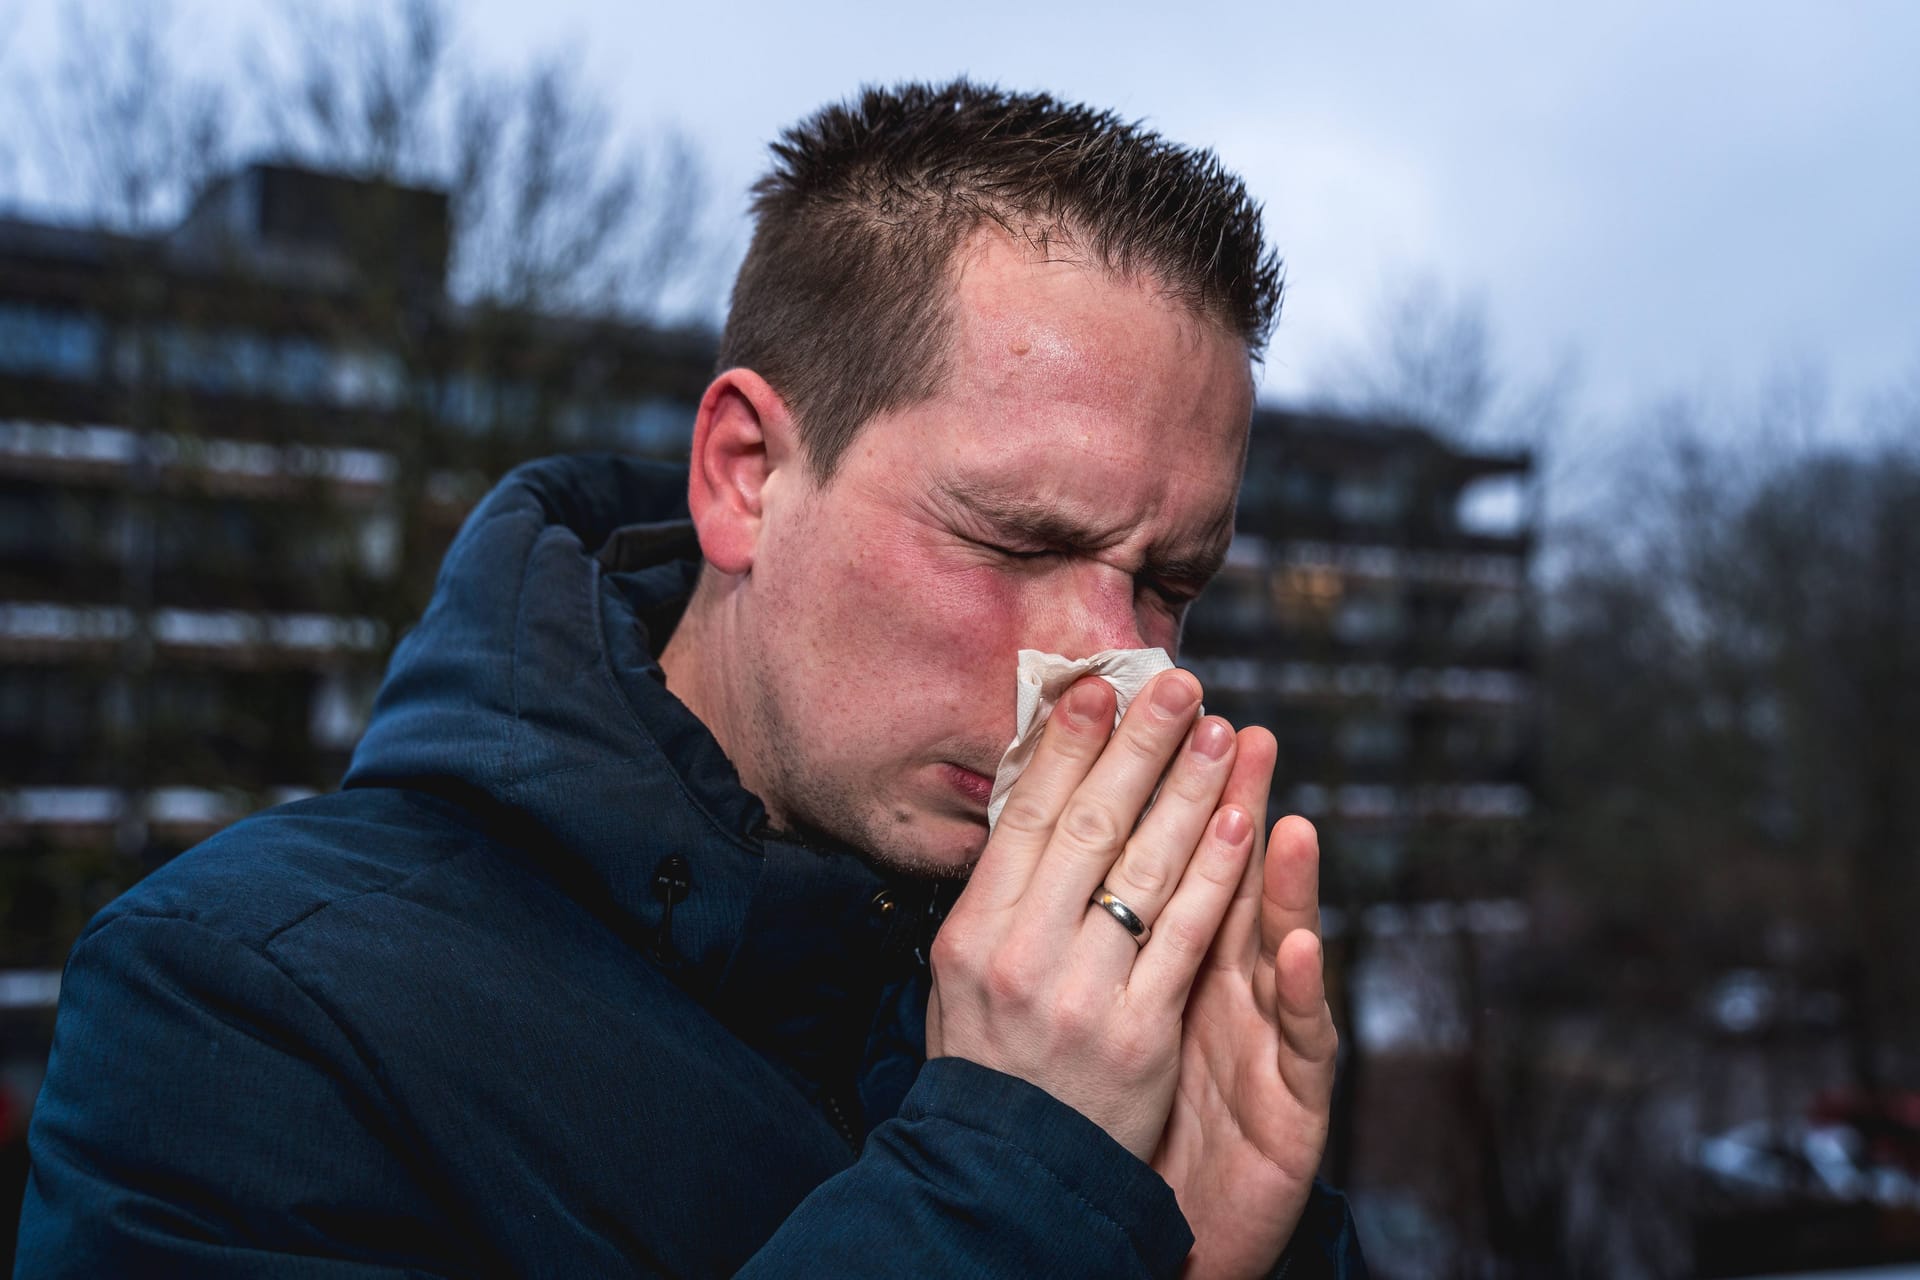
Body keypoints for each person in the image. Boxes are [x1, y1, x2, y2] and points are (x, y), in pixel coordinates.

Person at [15, 81, 1365, 1277]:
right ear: (746, 478)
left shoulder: (1124, 1027)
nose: (1111, 679)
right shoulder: (238, 1008)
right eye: (1015, 541)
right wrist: (1011, 1180)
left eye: (1169, 588)